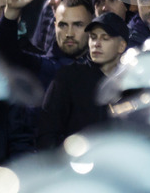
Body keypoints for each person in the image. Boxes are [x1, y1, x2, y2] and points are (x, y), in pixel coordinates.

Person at [36, 12, 128, 149]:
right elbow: (47, 132)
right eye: (93, 37)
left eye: (105, 38)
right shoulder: (68, 77)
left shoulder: (131, 84)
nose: (96, 44)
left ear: (121, 46)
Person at [0, 0, 92, 89]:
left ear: (91, 27)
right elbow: (5, 54)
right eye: (63, 25)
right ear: (55, 26)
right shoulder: (46, 67)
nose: (69, 33)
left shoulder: (104, 68)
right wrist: (11, 12)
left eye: (78, 25)